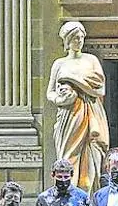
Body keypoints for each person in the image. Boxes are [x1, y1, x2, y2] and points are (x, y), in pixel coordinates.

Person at [45, 20, 109, 191]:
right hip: (68, 117)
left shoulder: (91, 60)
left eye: (81, 38)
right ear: (67, 40)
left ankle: (88, 199)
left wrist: (74, 80)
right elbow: (50, 92)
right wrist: (60, 100)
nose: (79, 41)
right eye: (75, 38)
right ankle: (66, 194)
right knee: (68, 157)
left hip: (91, 113)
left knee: (91, 159)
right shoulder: (59, 64)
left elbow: (100, 90)